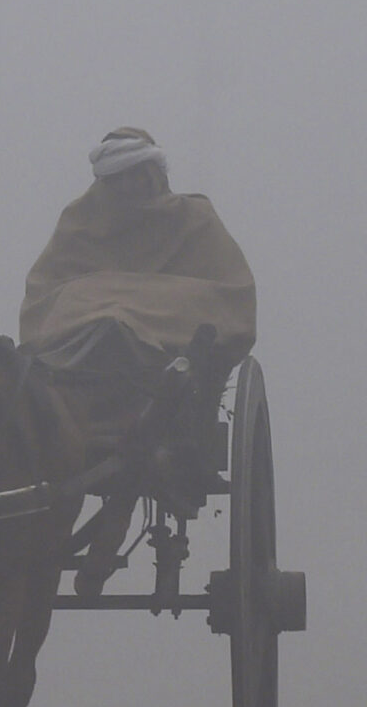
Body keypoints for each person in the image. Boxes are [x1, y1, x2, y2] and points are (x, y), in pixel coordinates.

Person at [20, 128, 256, 592]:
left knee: (112, 312)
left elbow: (228, 294)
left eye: (136, 175)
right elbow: (46, 295)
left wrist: (124, 307)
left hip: (164, 356)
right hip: (79, 358)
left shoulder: (195, 219)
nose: (128, 187)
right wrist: (97, 306)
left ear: (155, 174)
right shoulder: (78, 223)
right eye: (117, 179)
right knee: (93, 308)